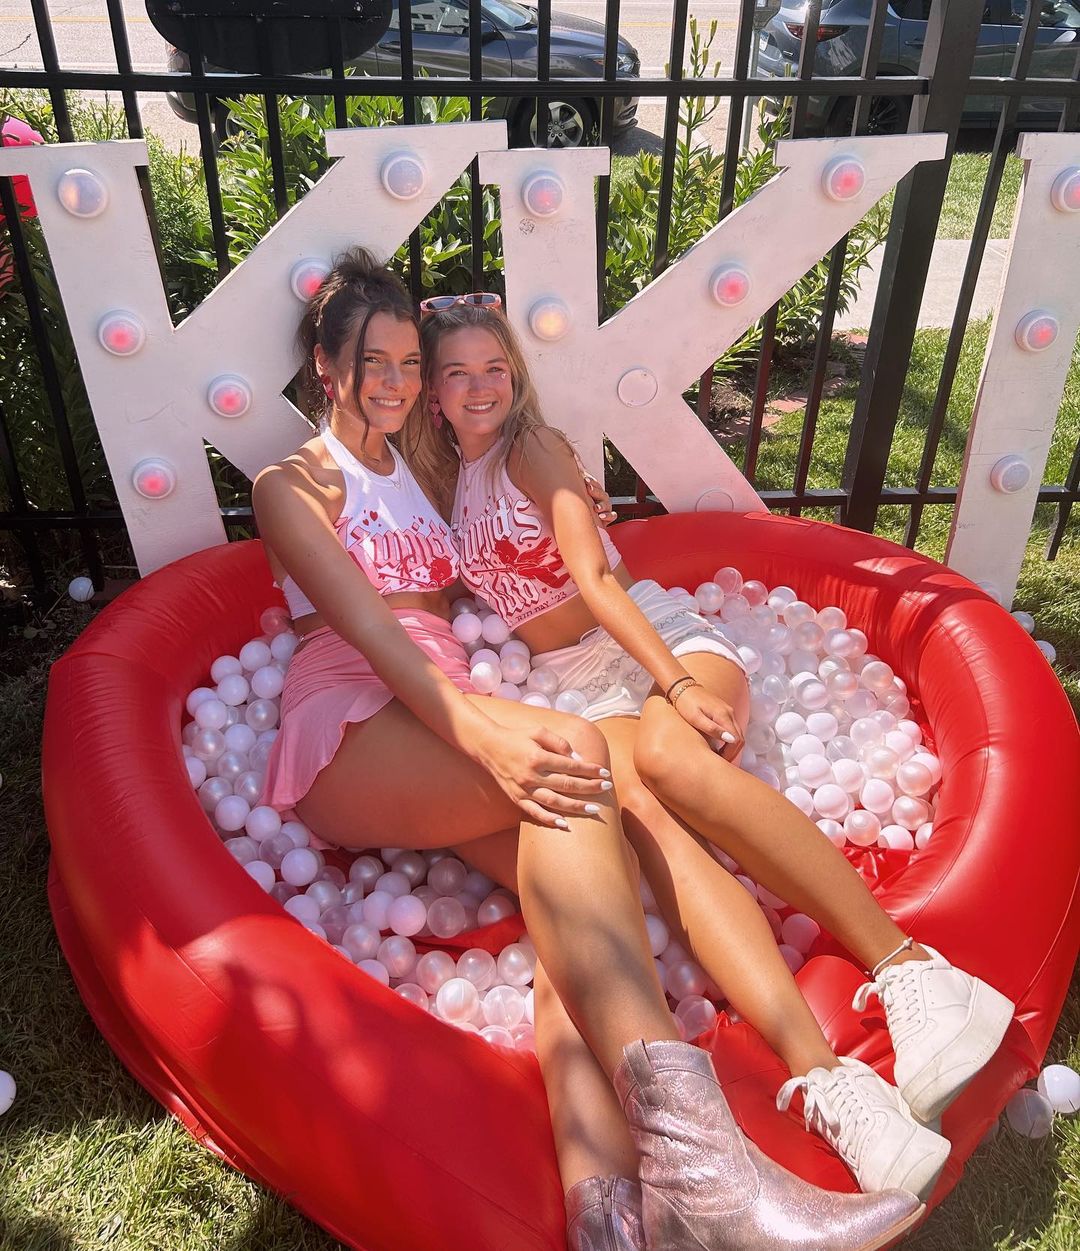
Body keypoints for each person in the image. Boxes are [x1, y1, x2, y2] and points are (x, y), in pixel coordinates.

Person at [252, 248, 924, 1251]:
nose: (392, 382)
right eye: (371, 362)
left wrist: (570, 486)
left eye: (406, 363)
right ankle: (711, 1182)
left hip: (444, 716)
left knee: (583, 896)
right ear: (324, 366)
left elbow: (505, 502)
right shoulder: (292, 484)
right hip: (352, 719)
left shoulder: (419, 469)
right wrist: (491, 734)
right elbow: (378, 636)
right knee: (578, 757)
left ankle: (612, 1208)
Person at [411, 295, 1016, 1215]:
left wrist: (675, 681)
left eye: (494, 367)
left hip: (651, 641)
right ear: (434, 394)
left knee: (671, 763)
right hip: (580, 686)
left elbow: (595, 579)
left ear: (515, 374)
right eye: (458, 373)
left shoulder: (533, 448)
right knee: (655, 830)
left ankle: (912, 971)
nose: (481, 386)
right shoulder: (459, 477)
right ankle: (832, 1084)